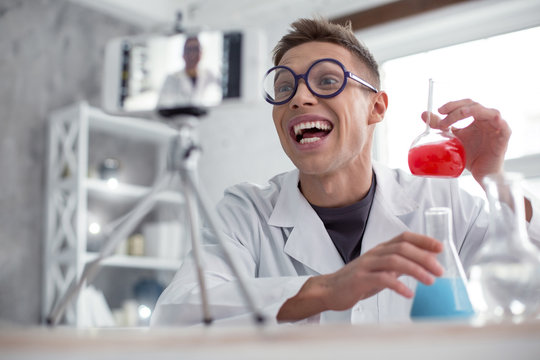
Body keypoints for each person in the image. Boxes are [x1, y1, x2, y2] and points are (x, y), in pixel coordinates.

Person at [151, 18, 540, 326]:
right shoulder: (246, 211)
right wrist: (324, 290)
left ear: (377, 108)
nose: (299, 98)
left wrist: (494, 179)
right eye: (284, 87)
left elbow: (529, 283)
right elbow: (177, 311)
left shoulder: (440, 203)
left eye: (327, 80)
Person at [157, 36, 222, 109]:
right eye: (189, 50)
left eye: (196, 49)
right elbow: (162, 106)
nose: (193, 54)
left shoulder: (208, 74)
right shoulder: (172, 78)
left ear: (201, 53)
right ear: (183, 54)